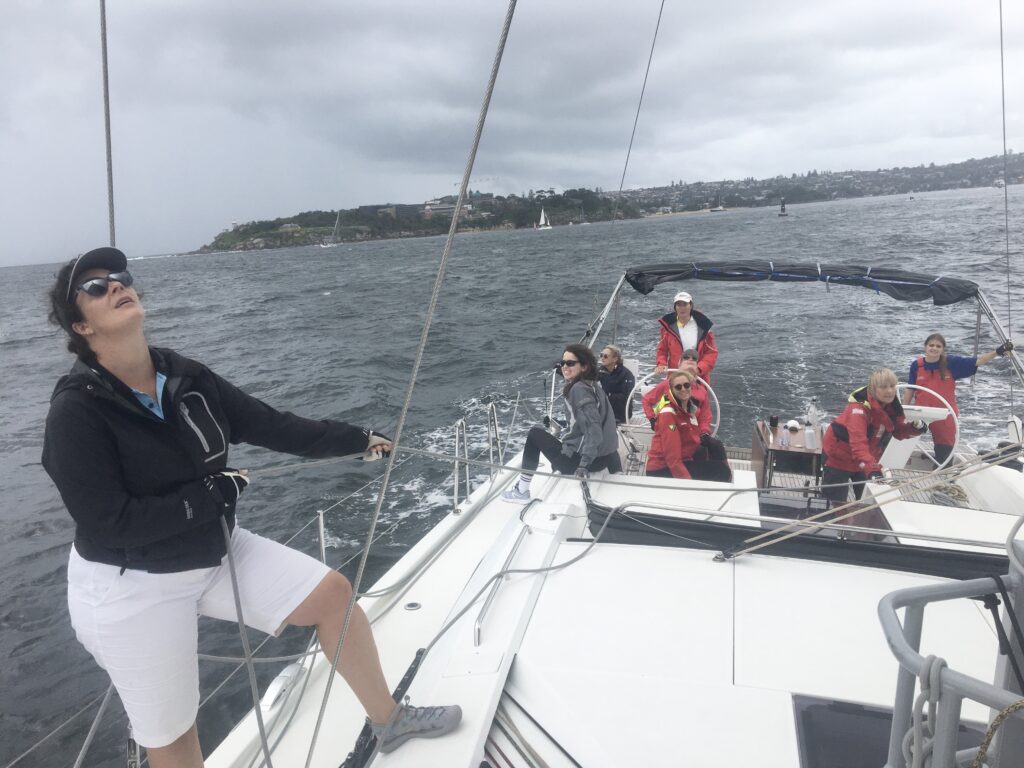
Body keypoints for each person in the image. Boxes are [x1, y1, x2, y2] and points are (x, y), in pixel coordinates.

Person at [42, 248, 461, 767]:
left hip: (212, 548)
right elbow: (110, 520)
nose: (116, 286)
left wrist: (356, 439)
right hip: (131, 584)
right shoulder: (76, 412)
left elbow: (270, 424)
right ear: (81, 325)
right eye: (97, 287)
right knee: (175, 736)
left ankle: (388, 721)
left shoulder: (185, 376)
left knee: (333, 596)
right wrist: (214, 495)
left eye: (120, 278)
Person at [503, 344, 620, 502]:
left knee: (534, 434)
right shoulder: (593, 385)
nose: (565, 366)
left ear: (584, 366)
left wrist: (583, 465)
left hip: (583, 462)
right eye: (562, 363)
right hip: (604, 458)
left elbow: (594, 429)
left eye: (570, 363)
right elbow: (601, 423)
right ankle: (618, 473)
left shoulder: (578, 390)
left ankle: (521, 491)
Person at [903, 333, 1015, 465]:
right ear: (925, 347)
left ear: (943, 349)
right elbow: (910, 388)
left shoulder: (952, 363)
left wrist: (998, 351)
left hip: (944, 414)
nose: (934, 348)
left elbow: (979, 361)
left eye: (938, 346)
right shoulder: (916, 365)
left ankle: (943, 475)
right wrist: (903, 409)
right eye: (931, 345)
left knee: (944, 452)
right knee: (903, 439)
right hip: (920, 413)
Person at [821, 367, 925, 507]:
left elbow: (898, 431)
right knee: (835, 505)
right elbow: (858, 444)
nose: (889, 391)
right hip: (838, 459)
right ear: (873, 389)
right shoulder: (858, 410)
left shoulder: (891, 407)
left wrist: (914, 428)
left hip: (865, 459)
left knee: (869, 504)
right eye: (883, 387)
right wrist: (872, 469)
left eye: (892, 386)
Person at [645, 370, 731, 482]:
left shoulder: (689, 409)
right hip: (661, 469)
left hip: (684, 457)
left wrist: (705, 433)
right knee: (720, 471)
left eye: (686, 385)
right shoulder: (668, 413)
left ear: (691, 386)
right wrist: (687, 484)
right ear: (671, 389)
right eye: (678, 387)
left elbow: (704, 418)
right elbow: (672, 458)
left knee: (715, 448)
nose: (683, 389)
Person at [642, 349, 712, 433]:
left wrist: (704, 433)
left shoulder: (702, 391)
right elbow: (646, 400)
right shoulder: (667, 384)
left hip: (691, 433)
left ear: (697, 366)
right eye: (686, 357)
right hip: (669, 429)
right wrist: (652, 419)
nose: (690, 359)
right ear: (679, 364)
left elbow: (705, 417)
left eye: (694, 358)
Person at [654, 290, 718, 381]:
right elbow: (662, 350)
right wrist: (661, 364)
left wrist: (699, 369)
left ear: (691, 306)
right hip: (675, 377)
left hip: (698, 378)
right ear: (675, 307)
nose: (682, 308)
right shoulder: (667, 328)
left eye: (685, 304)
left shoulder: (704, 327)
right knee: (669, 395)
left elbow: (711, 353)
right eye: (679, 305)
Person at [598, 344, 635, 423]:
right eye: (601, 355)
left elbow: (626, 397)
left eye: (605, 356)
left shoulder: (626, 375)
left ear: (615, 359)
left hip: (621, 413)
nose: (602, 358)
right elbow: (589, 379)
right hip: (606, 409)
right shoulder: (601, 371)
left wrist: (606, 396)